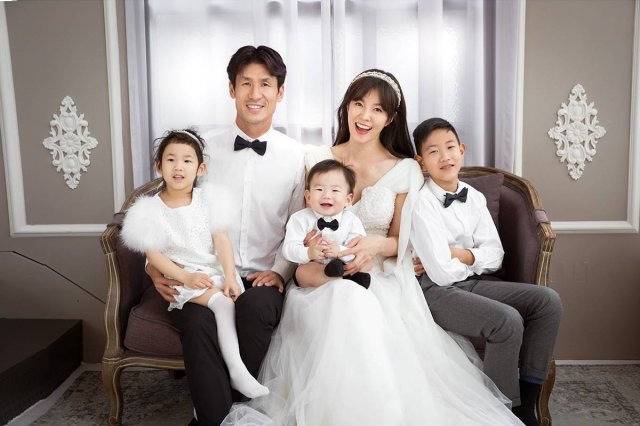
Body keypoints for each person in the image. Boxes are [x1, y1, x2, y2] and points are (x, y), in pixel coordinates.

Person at [223, 70, 521, 425]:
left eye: (377, 109)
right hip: (319, 275)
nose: (365, 116)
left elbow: (401, 241)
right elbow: (296, 222)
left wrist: (376, 244)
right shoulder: (314, 156)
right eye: (358, 104)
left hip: (379, 277)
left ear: (391, 117)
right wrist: (283, 268)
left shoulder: (406, 169)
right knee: (340, 295)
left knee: (356, 301)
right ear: (346, 107)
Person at [146, 46, 305, 425]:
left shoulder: (296, 155)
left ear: (280, 92)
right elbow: (167, 207)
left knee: (254, 309)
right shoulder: (201, 150)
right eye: (245, 83)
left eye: (265, 84)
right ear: (232, 89)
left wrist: (280, 272)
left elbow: (298, 223)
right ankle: (218, 418)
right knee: (198, 323)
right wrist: (154, 269)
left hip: (264, 275)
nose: (255, 94)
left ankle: (214, 414)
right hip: (203, 274)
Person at [410, 117, 562, 426]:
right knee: (506, 320)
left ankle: (527, 407)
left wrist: (460, 254)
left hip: (471, 282)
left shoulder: (474, 197)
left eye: (450, 147)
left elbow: (496, 257)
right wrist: (469, 259)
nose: (445, 157)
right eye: (433, 151)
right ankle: (502, 412)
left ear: (462, 149)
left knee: (548, 301)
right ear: (421, 161)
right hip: (434, 291)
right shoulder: (421, 202)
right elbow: (440, 273)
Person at [121, 129, 269, 399]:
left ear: (201, 168)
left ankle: (223, 385)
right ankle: (236, 371)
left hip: (212, 271)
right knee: (223, 304)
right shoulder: (149, 209)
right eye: (171, 160)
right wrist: (186, 277)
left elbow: (221, 240)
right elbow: (154, 256)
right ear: (159, 166)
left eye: (187, 160)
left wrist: (230, 275)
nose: (178, 167)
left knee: (237, 302)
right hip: (180, 276)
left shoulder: (208, 200)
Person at [282, 159, 371, 289]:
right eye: (319, 189)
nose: (326, 195)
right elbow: (288, 249)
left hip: (342, 264)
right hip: (312, 267)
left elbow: (358, 248)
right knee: (302, 272)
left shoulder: (352, 221)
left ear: (348, 199)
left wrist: (339, 251)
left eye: (335, 190)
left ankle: (344, 277)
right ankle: (343, 281)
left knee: (360, 265)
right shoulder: (299, 219)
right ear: (308, 196)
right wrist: (308, 253)